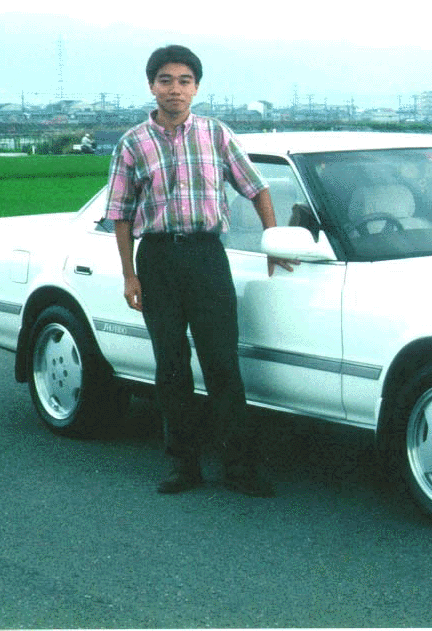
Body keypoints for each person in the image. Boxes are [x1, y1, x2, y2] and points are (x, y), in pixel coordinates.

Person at [103, 45, 295, 496]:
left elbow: (256, 188)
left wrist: (273, 241)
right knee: (171, 365)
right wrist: (130, 275)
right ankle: (183, 466)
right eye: (166, 80)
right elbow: (121, 214)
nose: (175, 89)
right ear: (152, 86)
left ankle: (239, 468)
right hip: (157, 260)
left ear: (196, 88)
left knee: (222, 362)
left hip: (208, 258)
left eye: (184, 81)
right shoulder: (133, 143)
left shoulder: (216, 135)